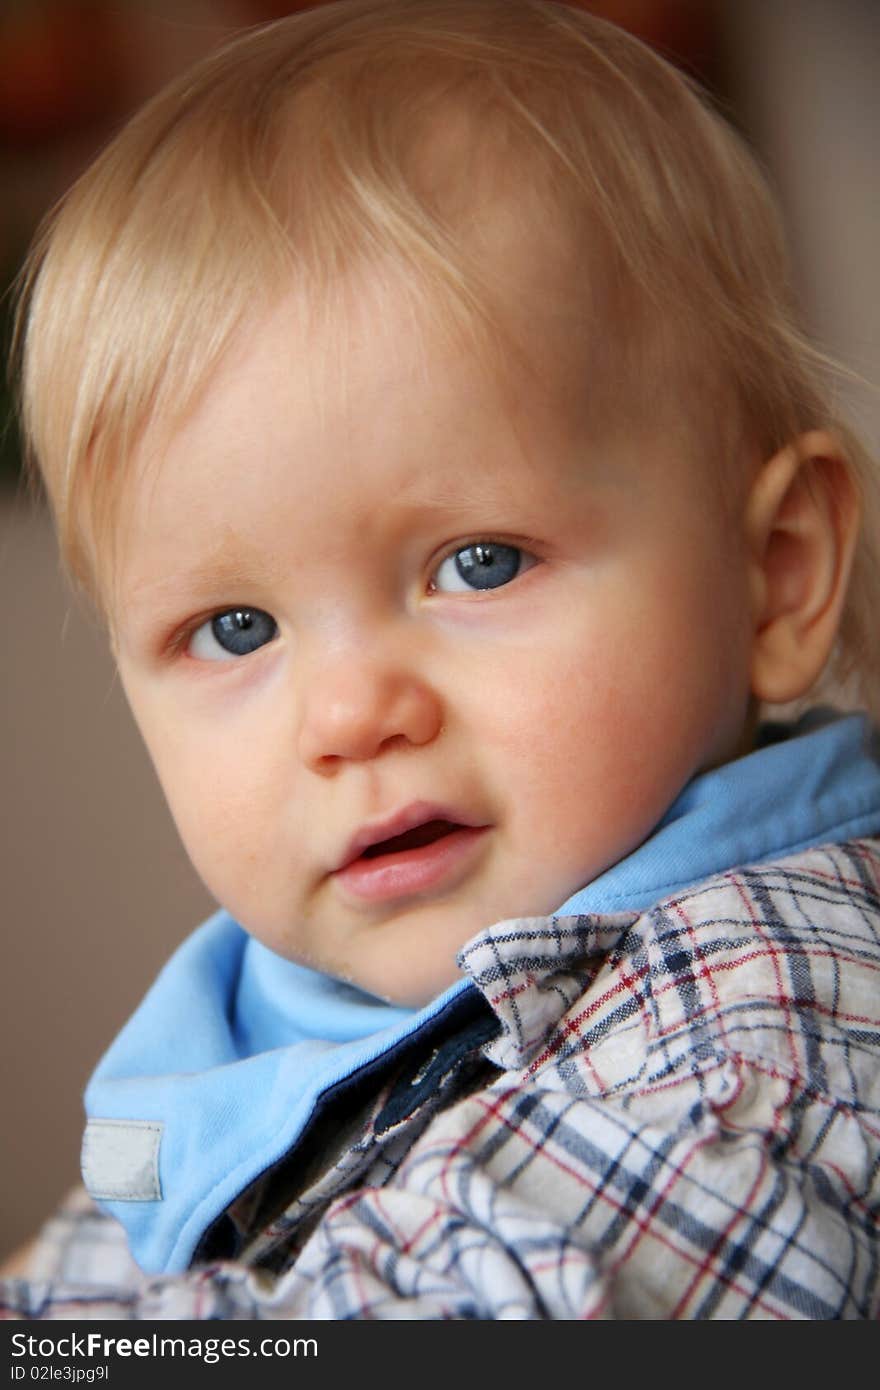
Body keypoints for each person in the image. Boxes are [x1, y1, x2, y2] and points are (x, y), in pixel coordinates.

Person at [3, 0, 879, 1320]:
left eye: (477, 562)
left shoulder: (775, 998)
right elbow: (97, 1258)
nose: (352, 715)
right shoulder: (244, 1027)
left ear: (778, 573)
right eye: (237, 628)